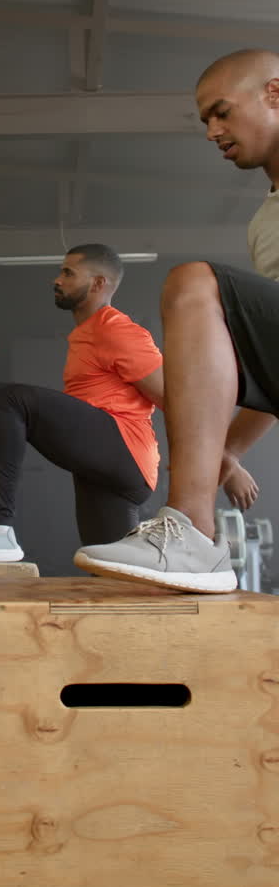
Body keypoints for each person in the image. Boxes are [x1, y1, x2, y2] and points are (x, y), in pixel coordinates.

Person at [74, 48, 271, 592]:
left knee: (192, 284)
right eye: (205, 118)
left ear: (274, 95)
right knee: (205, 296)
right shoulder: (265, 223)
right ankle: (194, 540)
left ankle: (194, 534)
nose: (212, 131)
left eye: (223, 111)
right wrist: (226, 449)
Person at [0, 244, 166, 562]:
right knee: (109, 568)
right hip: (108, 471)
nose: (57, 279)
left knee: (8, 397)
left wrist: (223, 460)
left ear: (97, 284)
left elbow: (172, 398)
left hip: (126, 452)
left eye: (68, 273)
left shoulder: (117, 330)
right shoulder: (87, 332)